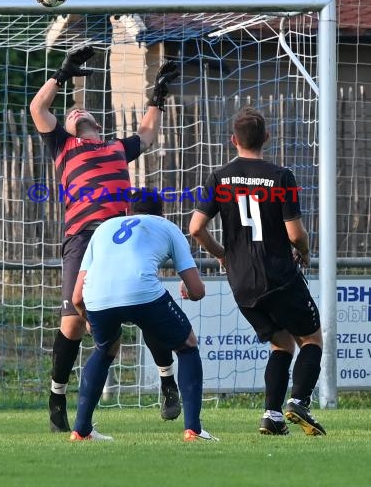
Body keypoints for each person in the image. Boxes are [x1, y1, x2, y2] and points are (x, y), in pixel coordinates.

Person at [30, 45, 182, 432]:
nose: (76, 113)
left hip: (118, 238)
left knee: (145, 304)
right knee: (72, 325)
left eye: (82, 112)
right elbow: (37, 109)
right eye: (70, 113)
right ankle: (57, 396)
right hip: (82, 239)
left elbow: (146, 135)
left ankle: (167, 381)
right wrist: (63, 73)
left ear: (96, 122)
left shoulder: (116, 147)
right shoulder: (63, 146)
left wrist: (157, 97)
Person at [188, 107, 326, 436]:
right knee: (312, 338)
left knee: (281, 344)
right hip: (278, 273)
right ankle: (300, 403)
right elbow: (295, 234)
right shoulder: (281, 177)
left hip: (242, 282)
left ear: (233, 140)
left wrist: (223, 255)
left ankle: (272, 416)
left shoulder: (218, 177)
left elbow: (195, 228)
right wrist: (304, 252)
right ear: (267, 137)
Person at [70, 189, 218, 442]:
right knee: (187, 344)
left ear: (128, 211)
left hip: (97, 296)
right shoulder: (166, 226)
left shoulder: (104, 229)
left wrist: (86, 319)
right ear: (162, 212)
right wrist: (189, 290)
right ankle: (193, 429)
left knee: (104, 350)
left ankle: (81, 430)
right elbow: (197, 291)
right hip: (141, 291)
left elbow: (76, 297)